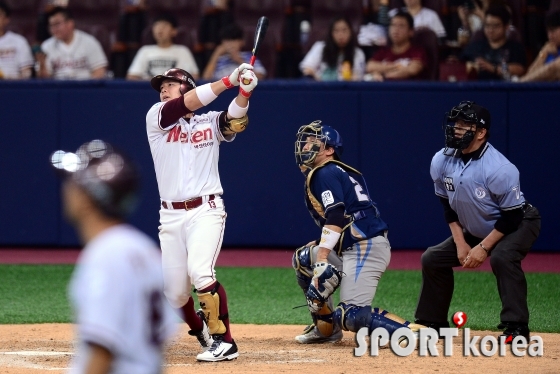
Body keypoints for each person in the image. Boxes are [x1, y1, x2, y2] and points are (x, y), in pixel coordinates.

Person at [146, 63, 258, 361]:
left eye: (170, 84)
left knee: (200, 271)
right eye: (161, 86)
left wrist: (244, 91)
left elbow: (234, 118)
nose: (163, 89)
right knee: (175, 295)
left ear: (186, 86)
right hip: (169, 216)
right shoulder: (156, 118)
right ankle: (202, 332)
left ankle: (226, 342)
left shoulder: (207, 122)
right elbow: (187, 103)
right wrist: (227, 80)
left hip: (206, 210)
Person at [415, 101, 541, 343]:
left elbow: (512, 216)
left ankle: (516, 327)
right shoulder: (441, 160)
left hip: (518, 223)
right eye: (456, 123)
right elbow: (447, 207)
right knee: (432, 258)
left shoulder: (499, 168)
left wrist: (483, 248)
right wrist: (461, 243)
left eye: (465, 125)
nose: (457, 129)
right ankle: (433, 322)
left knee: (503, 257)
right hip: (476, 227)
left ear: (481, 132)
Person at [292, 121, 426, 344]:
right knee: (305, 258)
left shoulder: (325, 171)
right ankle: (326, 329)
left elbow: (336, 215)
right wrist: (319, 248)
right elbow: (346, 218)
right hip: (357, 243)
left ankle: (413, 332)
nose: (306, 146)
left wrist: (323, 258)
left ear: (329, 150)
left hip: (366, 246)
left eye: (314, 142)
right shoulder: (332, 171)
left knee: (351, 314)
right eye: (306, 142)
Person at [50, 140, 177, 373]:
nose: (67, 189)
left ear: (86, 197)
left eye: (73, 183)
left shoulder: (107, 256)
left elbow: (101, 354)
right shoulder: (144, 250)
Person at [36, 6, 108, 79]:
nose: (53, 29)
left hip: (85, 87)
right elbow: (44, 81)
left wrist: (87, 89)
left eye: (57, 24)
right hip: (58, 89)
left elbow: (99, 71)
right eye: (51, 25)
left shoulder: (89, 42)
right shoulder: (47, 46)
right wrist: (42, 66)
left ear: (70, 23)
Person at [461, 4, 526, 80]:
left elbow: (520, 69)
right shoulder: (475, 46)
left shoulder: (515, 47)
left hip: (504, 88)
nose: (490, 30)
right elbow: (461, 63)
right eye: (487, 25)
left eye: (495, 26)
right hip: (478, 88)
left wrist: (493, 68)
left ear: (506, 27)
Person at [126, 13, 199, 81]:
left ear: (174, 31)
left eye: (164, 26)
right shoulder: (145, 50)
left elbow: (194, 76)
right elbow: (132, 76)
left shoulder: (182, 51)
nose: (160, 29)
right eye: (157, 25)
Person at [299, 16, 366, 81]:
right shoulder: (320, 47)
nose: (340, 35)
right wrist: (318, 80)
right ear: (331, 34)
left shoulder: (358, 53)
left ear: (351, 32)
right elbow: (307, 68)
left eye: (344, 30)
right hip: (320, 87)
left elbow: (358, 77)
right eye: (336, 31)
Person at [366, 12, 427, 81]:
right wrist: (396, 66)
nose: (396, 30)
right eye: (393, 25)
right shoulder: (383, 51)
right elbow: (369, 66)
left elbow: (413, 69)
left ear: (411, 32)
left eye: (401, 26)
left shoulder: (417, 51)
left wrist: (383, 74)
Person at [519, 10, 560, 82]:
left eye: (553, 31)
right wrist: (543, 53)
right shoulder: (549, 47)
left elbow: (552, 69)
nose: (550, 36)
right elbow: (531, 72)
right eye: (548, 31)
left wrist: (519, 83)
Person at [0, 1, 33, 79]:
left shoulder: (19, 41)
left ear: (6, 19)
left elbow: (27, 72)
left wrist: (11, 79)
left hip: (13, 86)